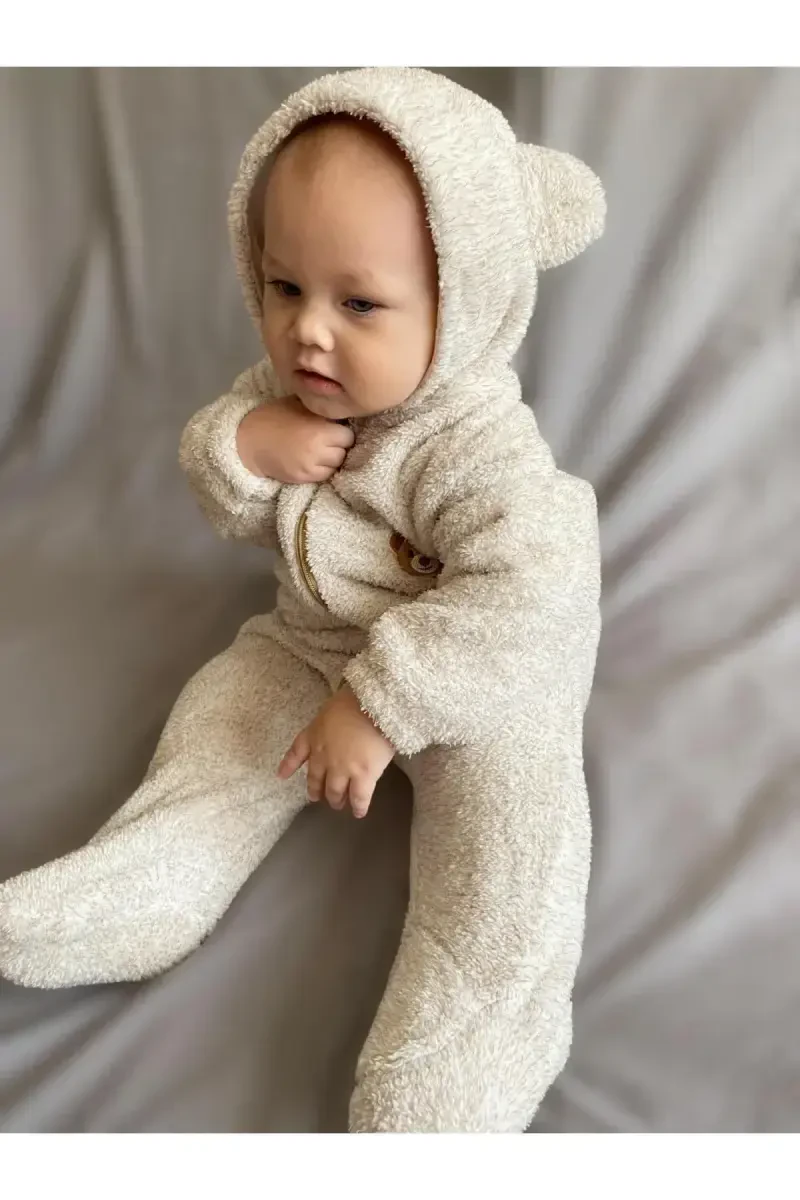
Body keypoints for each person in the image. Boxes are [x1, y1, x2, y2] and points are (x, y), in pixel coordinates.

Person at [0, 67, 605, 1132]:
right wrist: (244, 446)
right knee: (221, 728)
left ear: (460, 299)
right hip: (313, 641)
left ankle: (460, 1057)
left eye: (358, 303)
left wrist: (379, 706)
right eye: (285, 288)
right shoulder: (285, 394)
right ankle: (144, 885)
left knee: (507, 856)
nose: (306, 334)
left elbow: (534, 591)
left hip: (479, 677)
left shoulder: (480, 450)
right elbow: (223, 490)